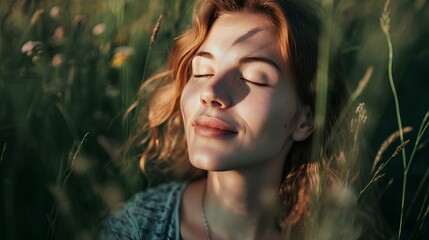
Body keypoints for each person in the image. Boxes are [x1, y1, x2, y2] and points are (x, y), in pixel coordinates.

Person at [100, 0, 384, 239]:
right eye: (201, 71)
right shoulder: (135, 228)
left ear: (305, 120)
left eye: (254, 78)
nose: (211, 92)